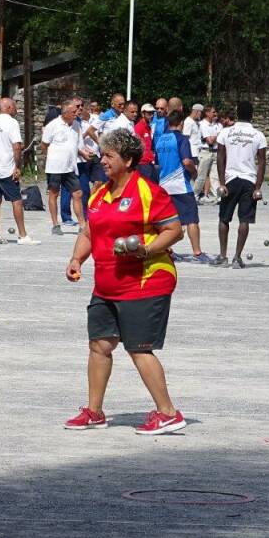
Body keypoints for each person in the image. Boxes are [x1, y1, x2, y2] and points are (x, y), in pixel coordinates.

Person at [64, 128, 188, 435]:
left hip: (146, 281)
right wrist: (77, 259)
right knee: (99, 345)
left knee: (138, 348)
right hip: (107, 284)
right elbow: (89, 232)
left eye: (109, 155)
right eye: (102, 154)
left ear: (129, 160)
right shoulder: (99, 193)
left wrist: (145, 249)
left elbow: (174, 230)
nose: (102, 160)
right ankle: (94, 412)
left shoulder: (148, 192)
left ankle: (168, 413)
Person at [212, 100, 266, 268]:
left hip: (230, 179)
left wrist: (222, 182)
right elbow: (262, 162)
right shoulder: (258, 135)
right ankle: (237, 257)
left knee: (224, 218)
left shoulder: (226, 132)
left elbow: (220, 157)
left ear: (237, 113)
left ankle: (222, 255)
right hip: (249, 180)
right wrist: (257, 187)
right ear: (252, 115)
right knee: (244, 219)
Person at [155, 107, 210, 263]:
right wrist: (194, 172)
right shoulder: (181, 139)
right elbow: (186, 161)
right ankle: (197, 253)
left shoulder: (160, 140)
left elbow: (158, 163)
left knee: (168, 221)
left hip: (164, 185)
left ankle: (168, 250)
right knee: (192, 219)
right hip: (179, 184)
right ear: (180, 123)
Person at [0, 98, 39, 245]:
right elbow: (16, 147)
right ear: (8, 107)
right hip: (5, 168)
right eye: (14, 106)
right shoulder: (11, 123)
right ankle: (23, 235)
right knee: (17, 201)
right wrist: (17, 167)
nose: (16, 109)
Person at [42, 98, 85, 235]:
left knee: (78, 193)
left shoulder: (77, 126)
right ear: (65, 113)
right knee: (54, 193)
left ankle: (82, 225)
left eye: (77, 110)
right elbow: (44, 145)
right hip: (55, 167)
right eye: (73, 111)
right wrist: (50, 158)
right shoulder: (53, 125)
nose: (76, 113)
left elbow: (76, 146)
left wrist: (84, 154)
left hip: (70, 167)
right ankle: (55, 225)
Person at [195, 106, 221, 202]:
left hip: (216, 152)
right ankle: (195, 195)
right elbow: (209, 141)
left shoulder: (218, 125)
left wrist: (215, 136)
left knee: (215, 176)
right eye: (213, 112)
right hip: (206, 152)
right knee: (201, 176)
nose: (215, 114)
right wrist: (218, 134)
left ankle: (218, 197)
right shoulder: (202, 124)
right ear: (207, 113)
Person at [134, 102, 158, 183]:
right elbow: (137, 145)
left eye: (152, 113)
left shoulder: (148, 126)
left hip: (149, 162)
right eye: (149, 113)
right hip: (143, 163)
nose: (151, 115)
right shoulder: (139, 127)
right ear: (142, 113)